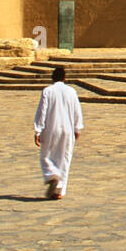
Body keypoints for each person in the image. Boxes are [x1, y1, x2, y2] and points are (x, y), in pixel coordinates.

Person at [34, 66, 83, 200]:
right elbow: (77, 111)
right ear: (64, 78)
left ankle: (52, 175)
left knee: (46, 156)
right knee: (64, 159)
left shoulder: (48, 91)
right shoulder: (71, 91)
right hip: (67, 129)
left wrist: (38, 130)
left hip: (51, 128)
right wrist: (77, 128)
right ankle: (59, 190)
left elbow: (42, 111)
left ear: (52, 78)